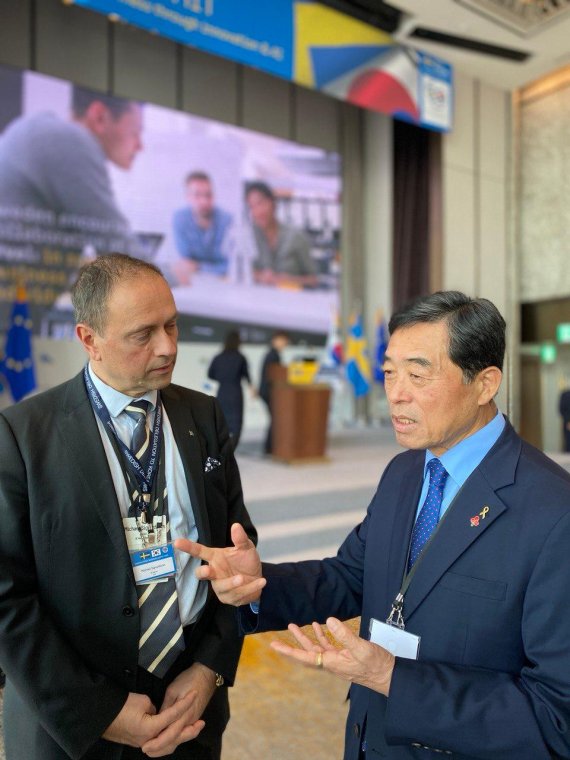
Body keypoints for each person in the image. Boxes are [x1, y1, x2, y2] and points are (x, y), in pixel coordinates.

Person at [177, 291, 570, 760]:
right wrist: (259, 583)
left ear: (485, 384)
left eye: (418, 375)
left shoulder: (553, 512)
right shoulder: (404, 472)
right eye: (389, 373)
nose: (396, 393)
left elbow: (555, 718)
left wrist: (393, 679)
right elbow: (351, 576)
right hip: (367, 740)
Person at [0, 253, 256, 760]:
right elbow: (7, 597)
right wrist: (98, 710)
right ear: (88, 339)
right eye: (144, 334)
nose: (167, 346)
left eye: (172, 325)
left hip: (190, 713)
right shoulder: (23, 435)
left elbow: (236, 553)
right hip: (72, 728)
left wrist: (209, 668)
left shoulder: (202, 415)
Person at [0, 85, 143, 238]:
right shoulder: (68, 140)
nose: (140, 146)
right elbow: (118, 245)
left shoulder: (47, 131)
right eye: (135, 133)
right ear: (99, 117)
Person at [245, 181, 318, 288]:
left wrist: (288, 279)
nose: (257, 211)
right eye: (251, 207)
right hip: (257, 300)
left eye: (261, 203)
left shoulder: (296, 236)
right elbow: (242, 272)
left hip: (291, 300)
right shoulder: (249, 236)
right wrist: (260, 276)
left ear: (273, 203)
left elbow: (314, 280)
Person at [171, 172, 233, 284]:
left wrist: (198, 267)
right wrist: (210, 268)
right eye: (197, 195)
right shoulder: (180, 219)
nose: (204, 201)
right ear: (187, 197)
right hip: (194, 282)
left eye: (208, 195)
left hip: (224, 283)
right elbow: (186, 262)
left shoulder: (227, 221)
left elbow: (231, 266)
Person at [207, 330, 252, 451]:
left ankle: (221, 452)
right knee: (236, 425)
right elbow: (247, 376)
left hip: (222, 392)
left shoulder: (218, 357)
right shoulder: (240, 357)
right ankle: (229, 452)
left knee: (222, 423)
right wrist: (252, 388)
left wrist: (222, 378)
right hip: (236, 392)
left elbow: (210, 374)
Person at [258, 330, 290, 455]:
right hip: (270, 392)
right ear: (276, 340)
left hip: (269, 391)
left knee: (275, 419)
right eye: (284, 340)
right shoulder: (272, 355)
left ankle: (271, 447)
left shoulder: (272, 353)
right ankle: (270, 447)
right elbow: (275, 374)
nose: (285, 344)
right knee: (276, 419)